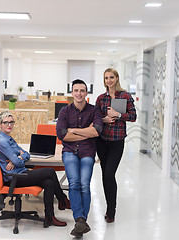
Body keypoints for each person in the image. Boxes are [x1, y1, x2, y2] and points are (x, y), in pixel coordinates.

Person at [0, 110, 71, 227]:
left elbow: (26, 154)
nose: (9, 125)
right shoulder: (2, 141)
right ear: (0, 125)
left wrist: (19, 157)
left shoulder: (9, 138)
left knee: (49, 182)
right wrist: (17, 159)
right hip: (14, 178)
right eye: (6, 122)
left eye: (11, 122)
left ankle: (50, 217)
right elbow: (17, 162)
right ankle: (63, 200)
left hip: (20, 172)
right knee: (50, 171)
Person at [56, 79, 103, 238]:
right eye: (76, 90)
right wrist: (85, 131)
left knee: (84, 185)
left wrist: (72, 131)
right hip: (69, 152)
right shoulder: (64, 111)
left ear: (86, 93)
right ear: (72, 93)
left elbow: (97, 131)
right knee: (74, 183)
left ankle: (80, 222)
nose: (79, 93)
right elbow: (61, 134)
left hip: (87, 152)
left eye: (82, 91)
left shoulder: (94, 110)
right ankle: (80, 220)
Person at [95, 68, 137, 223]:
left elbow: (133, 116)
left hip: (117, 141)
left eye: (111, 77)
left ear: (117, 78)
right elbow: (95, 118)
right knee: (105, 174)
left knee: (109, 174)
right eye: (106, 78)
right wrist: (103, 120)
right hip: (102, 141)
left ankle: (111, 210)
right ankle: (109, 208)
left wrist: (118, 115)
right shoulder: (100, 98)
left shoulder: (124, 96)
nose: (109, 80)